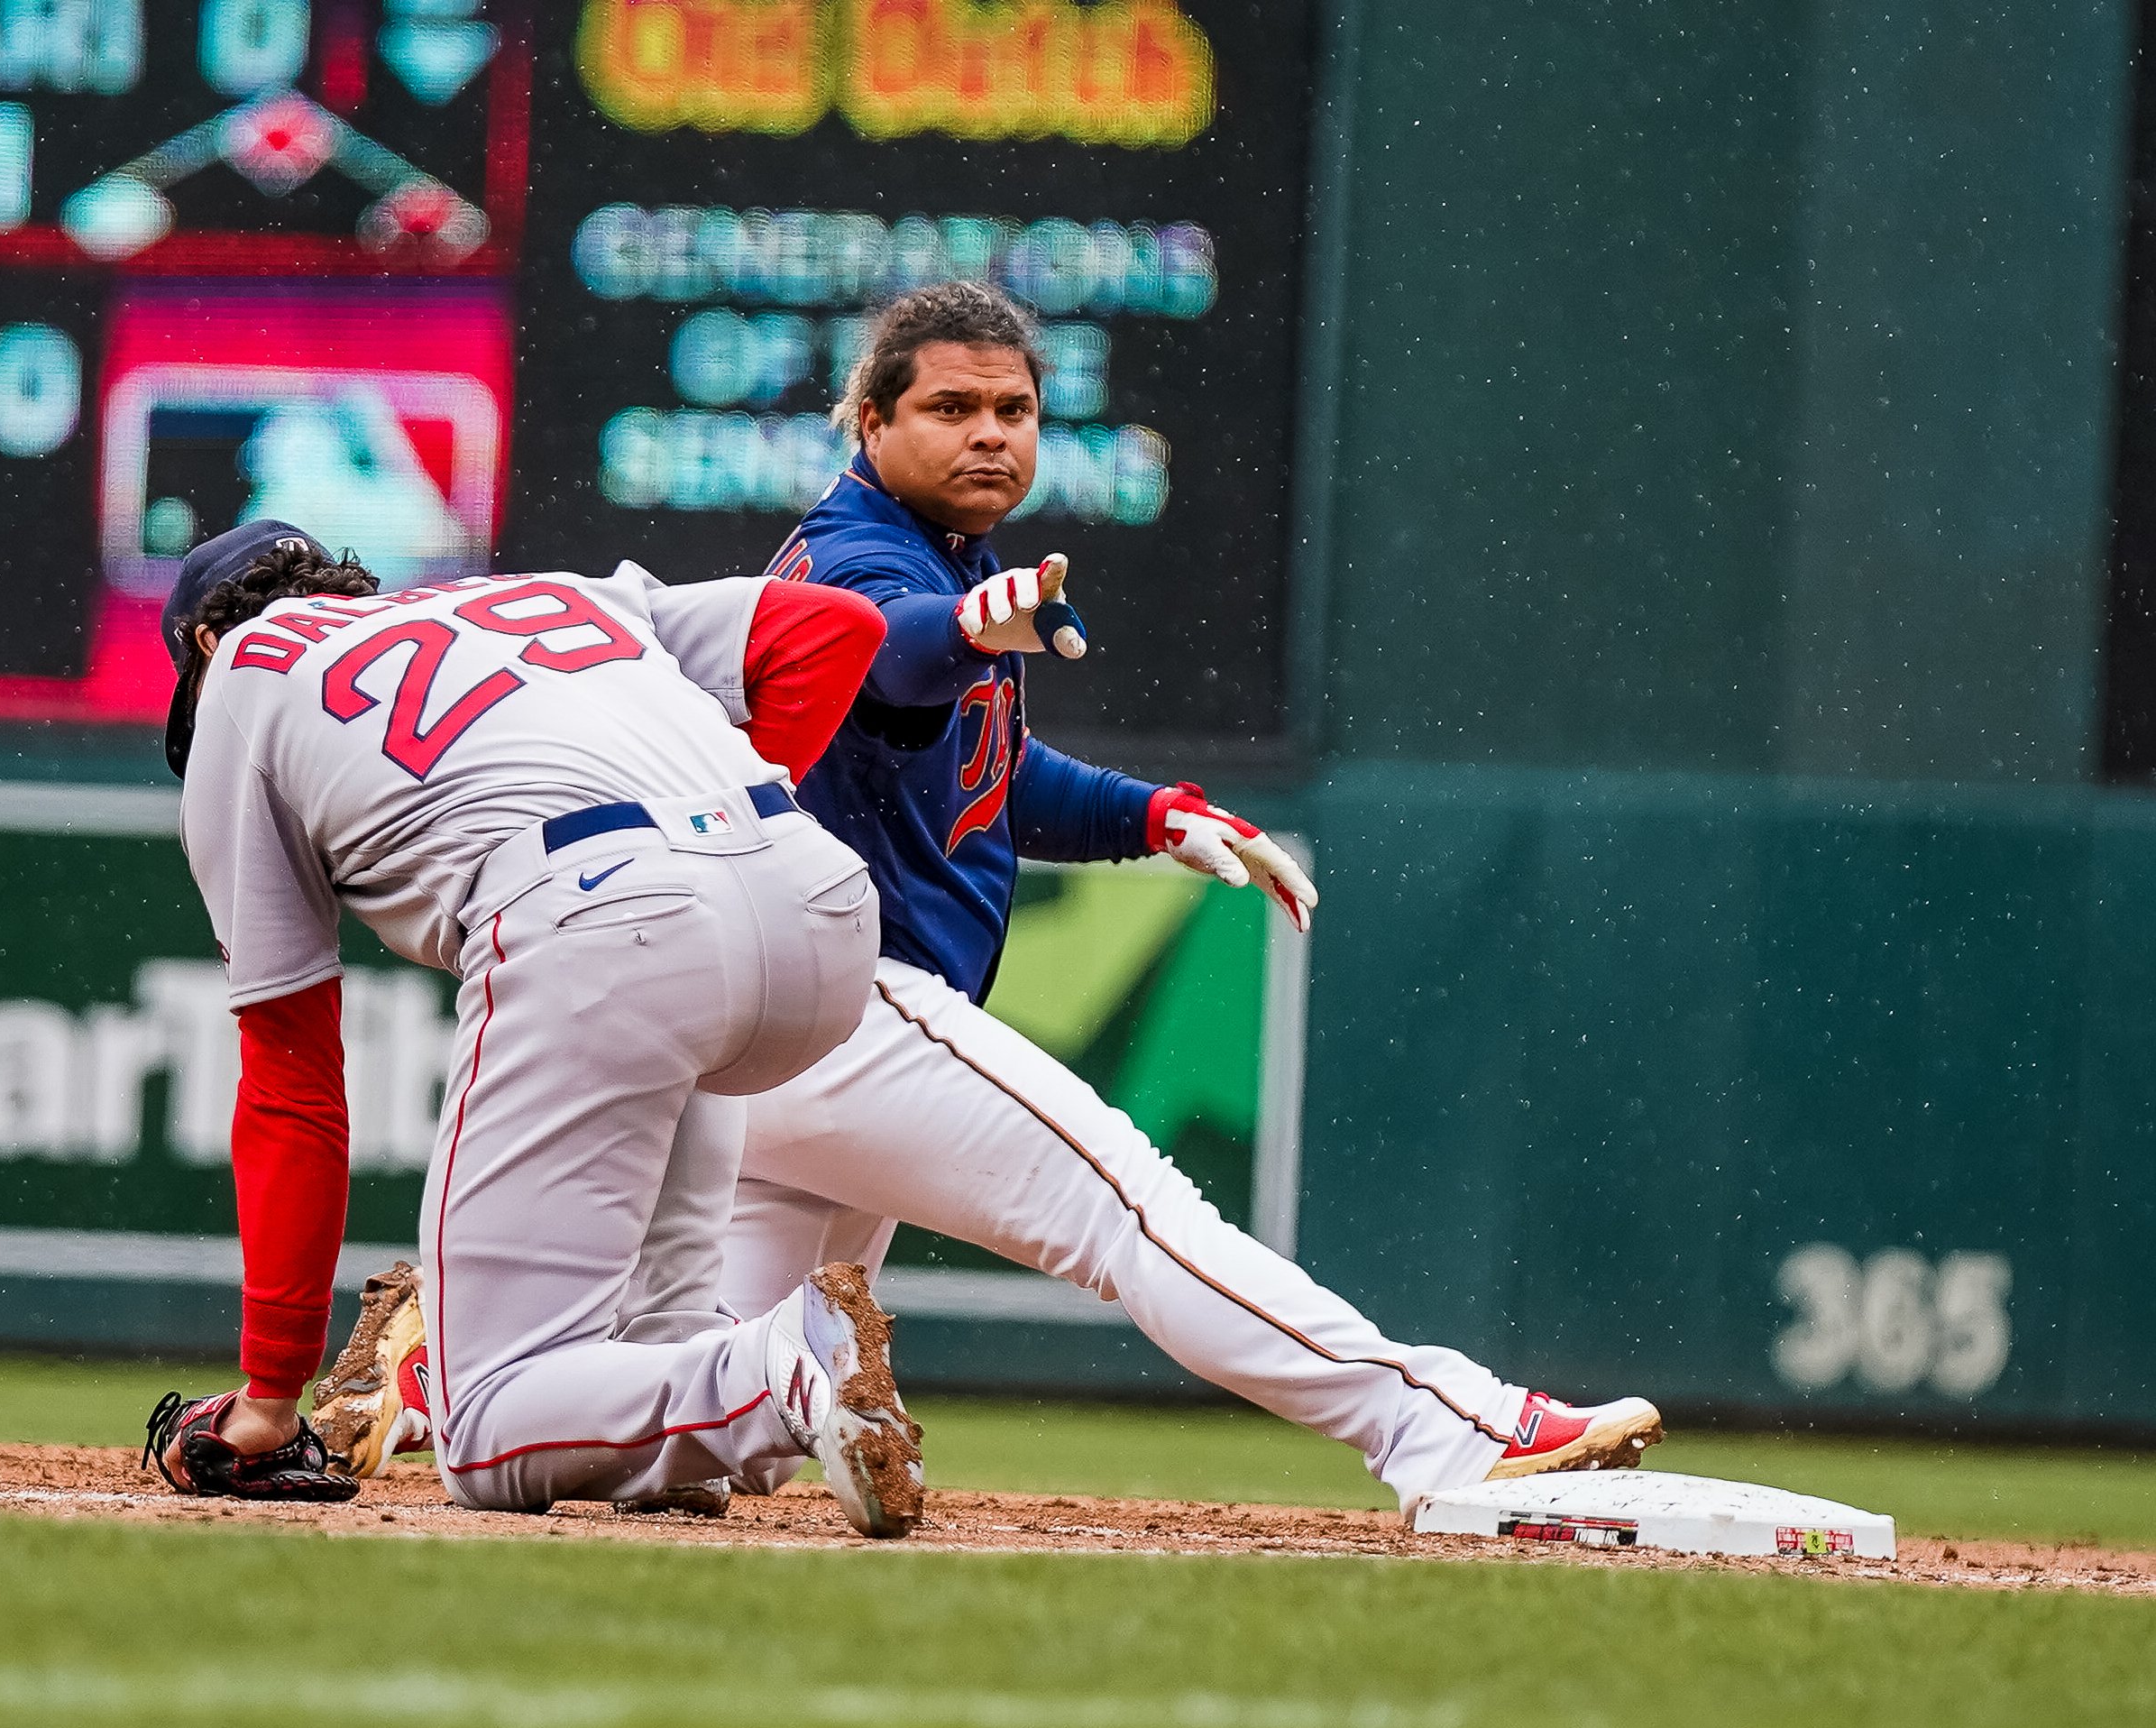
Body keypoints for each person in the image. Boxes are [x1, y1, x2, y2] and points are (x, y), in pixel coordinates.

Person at [317, 283, 1661, 1512]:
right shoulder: (862, 560)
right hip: (844, 1008)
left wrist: (1152, 814)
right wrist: (960, 631)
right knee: (1130, 1211)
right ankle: (1449, 1427)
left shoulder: (952, 566)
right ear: (869, 419)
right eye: (950, 408)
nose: (989, 437)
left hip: (763, 1040)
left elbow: (986, 769)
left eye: (1013, 410)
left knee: (711, 1402)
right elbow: (887, 658)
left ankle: (453, 1380)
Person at [139, 519, 929, 1536]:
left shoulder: (247, 667)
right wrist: (719, 831)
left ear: (203, 640)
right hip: (817, 900)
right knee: (649, 1299)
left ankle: (778, 1363)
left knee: (485, 1424)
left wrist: (268, 1398)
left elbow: (291, 1080)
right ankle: (674, 1432)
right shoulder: (545, 590)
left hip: (607, 916)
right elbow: (830, 628)